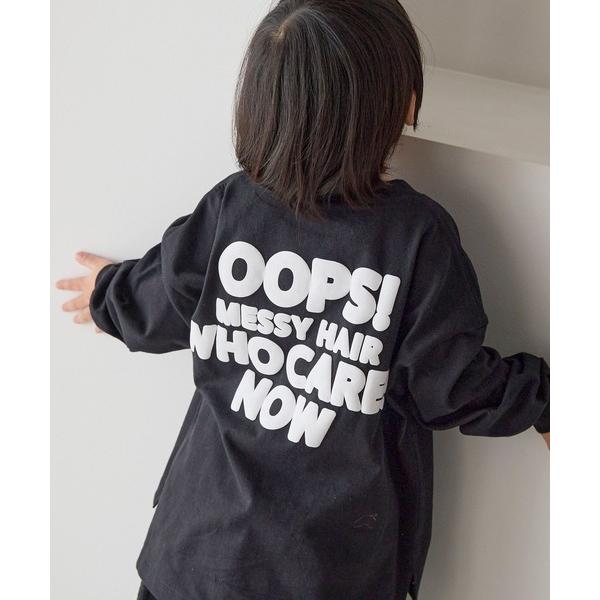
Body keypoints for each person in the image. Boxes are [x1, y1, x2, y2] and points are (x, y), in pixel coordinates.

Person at [56, 1, 550, 598]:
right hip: (329, 572)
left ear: (260, 106)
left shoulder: (233, 209)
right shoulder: (415, 238)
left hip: (194, 558)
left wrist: (109, 296)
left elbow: (166, 296)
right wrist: (543, 399)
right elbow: (448, 385)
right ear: (404, 103)